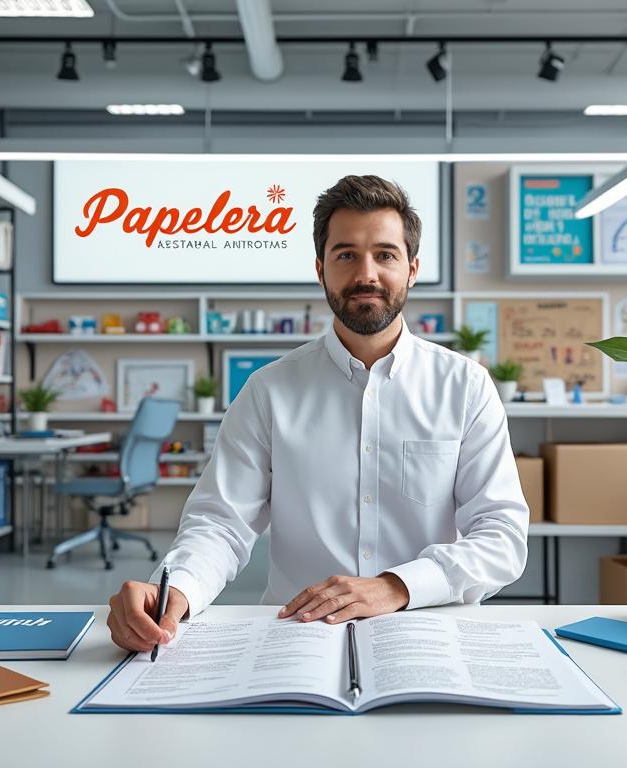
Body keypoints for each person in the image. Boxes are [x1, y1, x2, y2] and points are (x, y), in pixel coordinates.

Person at [106, 174, 529, 652]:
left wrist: (396, 586)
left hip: (430, 635)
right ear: (320, 269)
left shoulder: (465, 387)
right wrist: (173, 591)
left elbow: (501, 536)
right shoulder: (270, 391)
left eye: (385, 255)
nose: (366, 274)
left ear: (412, 269)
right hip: (299, 639)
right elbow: (221, 524)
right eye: (346, 255)